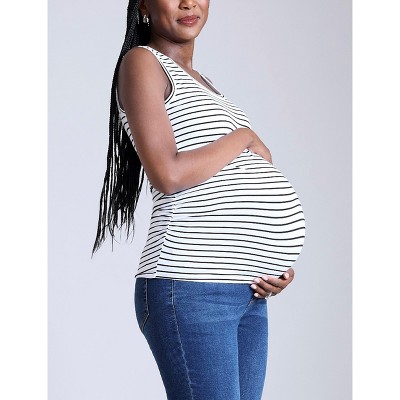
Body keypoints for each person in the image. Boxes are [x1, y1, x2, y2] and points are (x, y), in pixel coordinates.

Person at [93, 1, 305, 399]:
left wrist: (272, 262)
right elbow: (168, 174)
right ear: (144, 5)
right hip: (191, 287)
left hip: (248, 293)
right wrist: (244, 136)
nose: (188, 3)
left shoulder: (207, 85)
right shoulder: (142, 63)